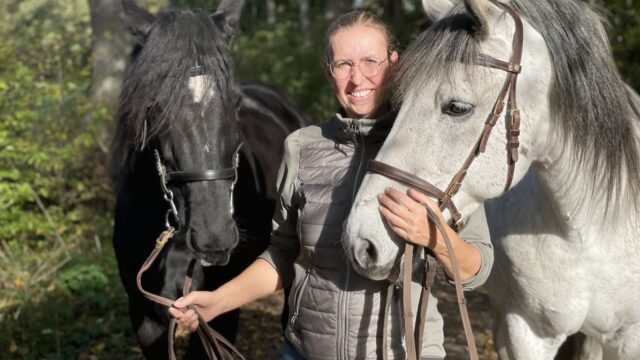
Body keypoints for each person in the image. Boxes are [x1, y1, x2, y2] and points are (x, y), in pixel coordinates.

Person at [169, 10, 492, 360]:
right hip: (305, 351)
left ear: (395, 63)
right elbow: (283, 253)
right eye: (343, 64)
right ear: (328, 71)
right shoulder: (301, 147)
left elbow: (478, 267)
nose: (358, 79)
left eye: (371, 61)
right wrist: (218, 301)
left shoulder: (435, 146)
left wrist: (434, 236)